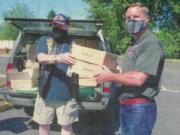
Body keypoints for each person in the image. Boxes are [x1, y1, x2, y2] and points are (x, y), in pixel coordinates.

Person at [94, 2, 165, 135]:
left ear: (146, 19)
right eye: (128, 18)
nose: (131, 20)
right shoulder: (134, 43)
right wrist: (116, 70)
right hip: (127, 105)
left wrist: (111, 76)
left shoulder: (151, 43)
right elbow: (133, 72)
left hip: (139, 107)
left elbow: (138, 79)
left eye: (136, 16)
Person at [33, 14, 79, 135]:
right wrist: (59, 58)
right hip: (45, 93)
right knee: (43, 126)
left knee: (66, 126)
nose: (57, 27)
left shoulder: (72, 42)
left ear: (67, 26)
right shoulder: (45, 39)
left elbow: (82, 61)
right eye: (55, 25)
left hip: (67, 94)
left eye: (60, 25)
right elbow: (40, 57)